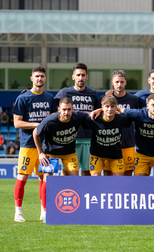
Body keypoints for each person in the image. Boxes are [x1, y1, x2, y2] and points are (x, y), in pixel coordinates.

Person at [13, 66, 57, 222]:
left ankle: (44, 211)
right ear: (32, 78)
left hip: (46, 146)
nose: (40, 78)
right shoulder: (23, 98)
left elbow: (52, 120)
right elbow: (17, 123)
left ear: (45, 79)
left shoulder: (50, 98)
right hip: (28, 145)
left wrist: (45, 125)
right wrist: (38, 124)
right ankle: (18, 212)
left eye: (42, 76)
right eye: (37, 76)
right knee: (22, 177)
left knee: (45, 178)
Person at [33, 97, 88, 220]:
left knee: (75, 179)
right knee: (47, 178)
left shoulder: (78, 116)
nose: (66, 113)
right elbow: (35, 133)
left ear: (73, 109)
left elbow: (90, 114)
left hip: (69, 152)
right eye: (64, 110)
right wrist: (40, 152)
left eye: (69, 110)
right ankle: (45, 211)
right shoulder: (49, 121)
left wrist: (99, 110)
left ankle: (72, 209)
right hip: (50, 152)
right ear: (59, 109)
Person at [55, 63, 100, 176]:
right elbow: (54, 108)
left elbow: (98, 111)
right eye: (78, 75)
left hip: (88, 138)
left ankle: (86, 193)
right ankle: (64, 192)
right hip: (70, 138)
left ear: (86, 77)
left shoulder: (93, 93)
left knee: (87, 171)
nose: (80, 78)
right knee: (67, 171)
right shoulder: (64, 92)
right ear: (73, 76)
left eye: (83, 75)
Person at [83, 95, 132, 176]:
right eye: (107, 106)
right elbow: (79, 118)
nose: (109, 109)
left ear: (116, 107)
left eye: (112, 106)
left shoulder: (122, 119)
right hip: (97, 155)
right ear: (102, 107)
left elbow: (137, 116)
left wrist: (120, 110)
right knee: (95, 179)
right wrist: (96, 111)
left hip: (115, 155)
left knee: (119, 181)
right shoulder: (94, 118)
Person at [104, 70, 139, 176]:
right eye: (117, 82)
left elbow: (137, 118)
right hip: (109, 143)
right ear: (112, 83)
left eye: (122, 82)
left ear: (125, 82)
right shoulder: (105, 99)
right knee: (107, 175)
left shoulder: (134, 99)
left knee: (127, 176)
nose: (119, 84)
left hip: (127, 142)